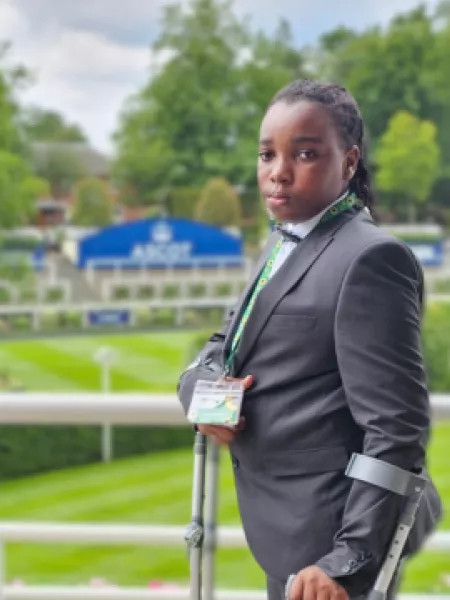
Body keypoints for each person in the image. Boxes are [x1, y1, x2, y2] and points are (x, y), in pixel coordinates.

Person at [177, 79, 442, 600]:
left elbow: (396, 425)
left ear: (348, 163)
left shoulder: (370, 259)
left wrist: (345, 562)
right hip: (290, 536)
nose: (278, 170)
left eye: (305, 153)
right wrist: (203, 395)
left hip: (332, 551)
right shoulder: (283, 240)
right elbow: (222, 345)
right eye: (267, 154)